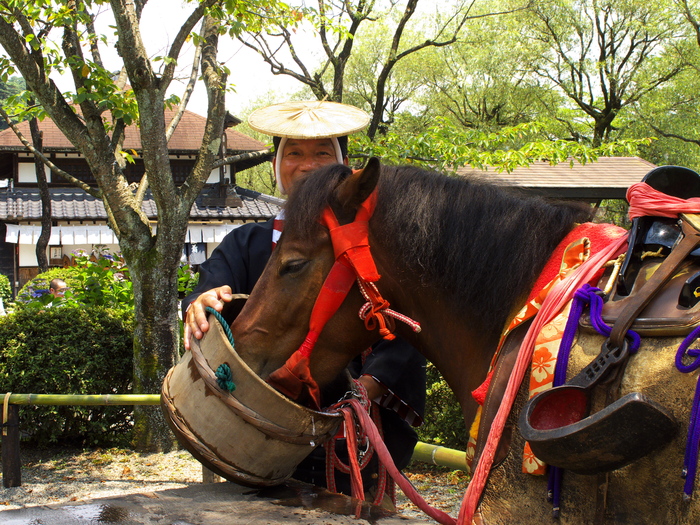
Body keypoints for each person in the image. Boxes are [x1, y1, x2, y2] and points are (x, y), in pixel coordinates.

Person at [183, 100, 426, 507]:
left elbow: (400, 322)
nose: (308, 165)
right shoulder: (246, 243)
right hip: (259, 426)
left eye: (322, 154)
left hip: (355, 429)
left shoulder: (375, 247)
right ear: (277, 166)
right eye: (294, 153)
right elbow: (213, 294)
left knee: (360, 511)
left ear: (344, 166)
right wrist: (200, 303)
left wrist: (364, 392)